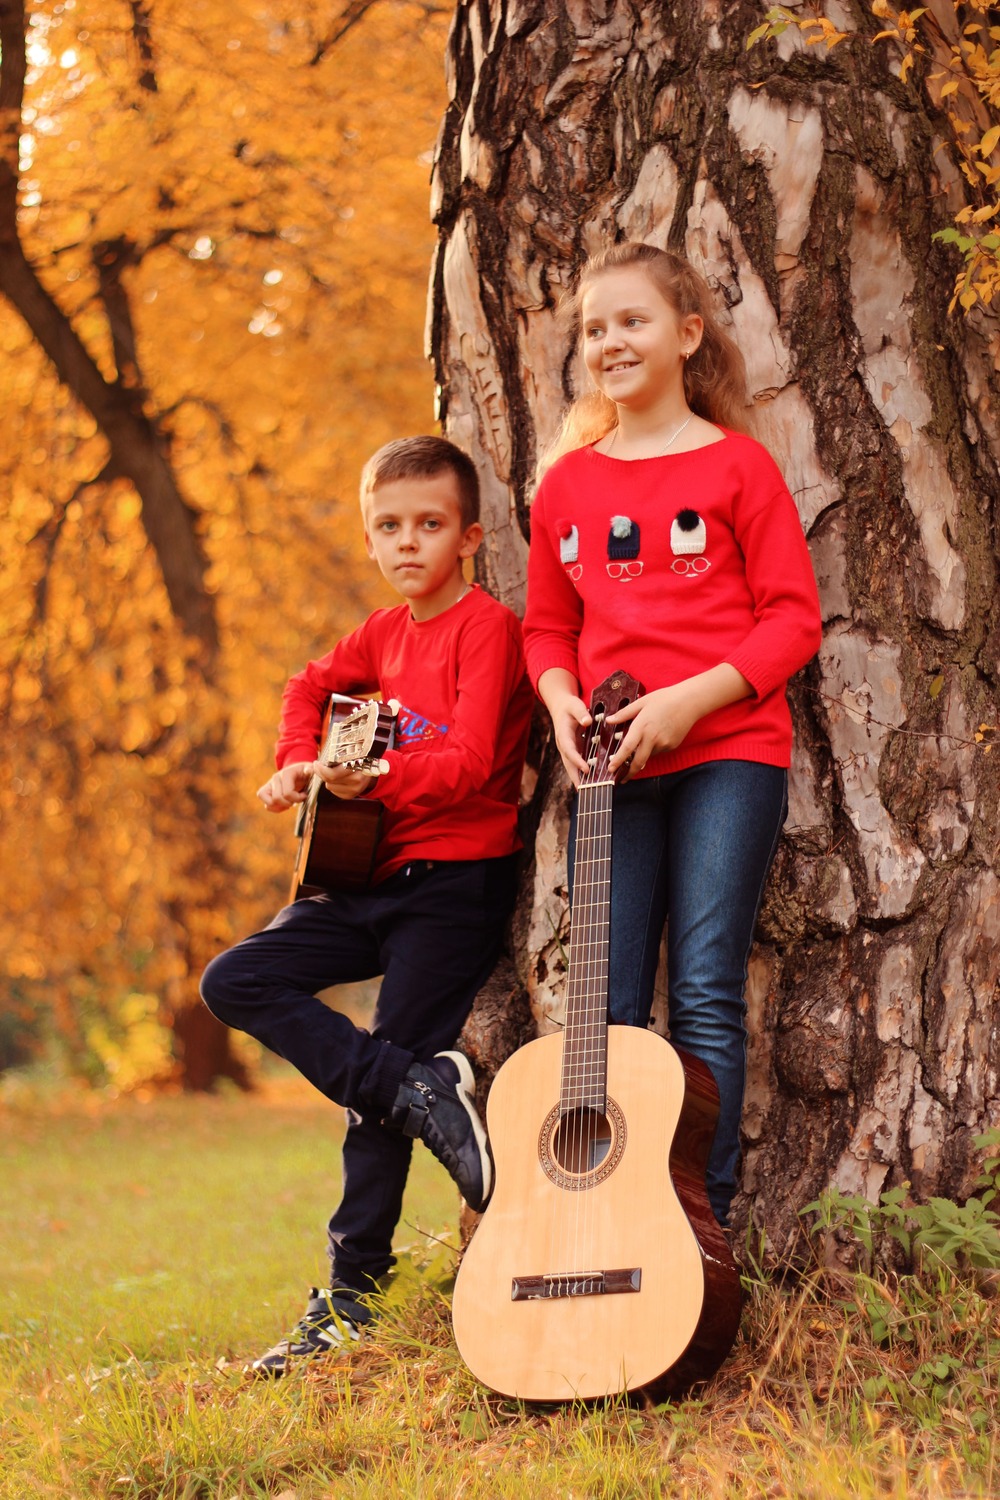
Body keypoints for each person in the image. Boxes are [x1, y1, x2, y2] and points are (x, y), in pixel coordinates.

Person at [202, 435, 533, 1374]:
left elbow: (470, 762)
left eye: (429, 525)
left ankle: (350, 1297)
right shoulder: (382, 635)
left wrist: (365, 777)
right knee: (236, 979)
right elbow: (307, 685)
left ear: (469, 535)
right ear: (369, 538)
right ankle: (415, 1088)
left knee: (368, 1099)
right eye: (388, 527)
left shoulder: (486, 629)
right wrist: (296, 764)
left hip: (453, 886)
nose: (407, 543)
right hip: (365, 876)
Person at [522, 242, 822, 1228]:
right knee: (602, 1014)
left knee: (699, 993)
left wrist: (689, 701)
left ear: (686, 336)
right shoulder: (567, 485)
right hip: (609, 771)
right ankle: (604, 1214)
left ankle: (701, 1220)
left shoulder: (736, 467)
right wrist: (559, 699)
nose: (610, 341)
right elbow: (546, 626)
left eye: (631, 321)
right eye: (595, 327)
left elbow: (790, 619)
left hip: (724, 756)